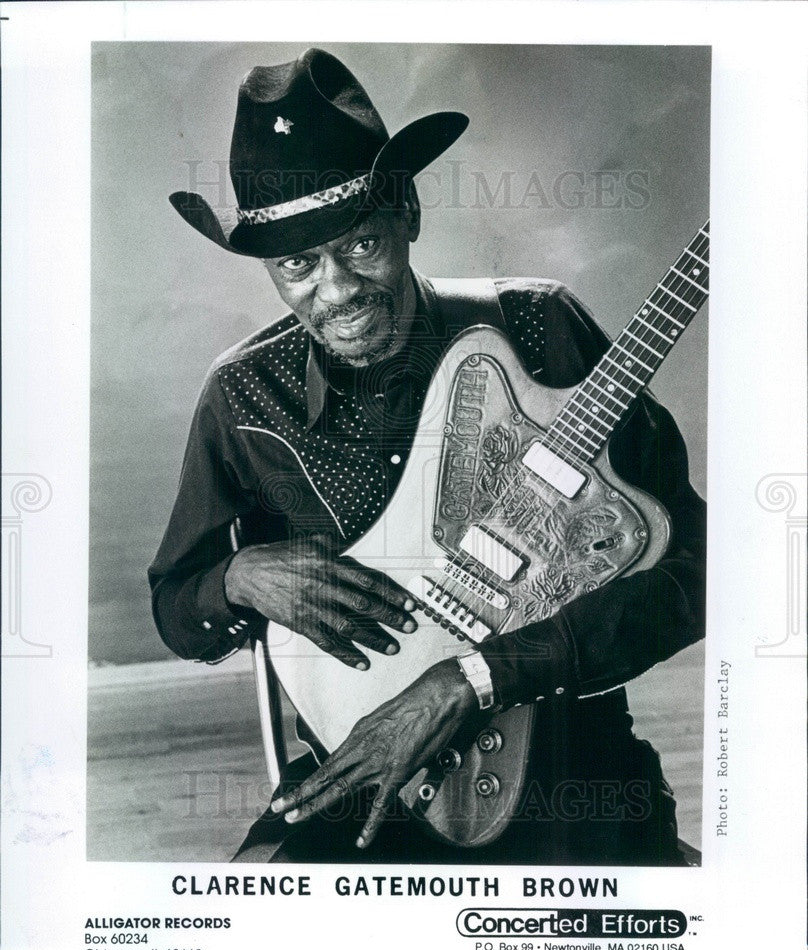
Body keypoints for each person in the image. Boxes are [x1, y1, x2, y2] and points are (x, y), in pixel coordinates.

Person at [150, 47, 706, 865]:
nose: (335, 288)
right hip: (360, 778)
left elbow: (701, 570)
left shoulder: (538, 331)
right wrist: (237, 578)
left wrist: (484, 676)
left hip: (574, 779)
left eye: (361, 245)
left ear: (406, 212)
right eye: (298, 264)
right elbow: (176, 606)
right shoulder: (241, 398)